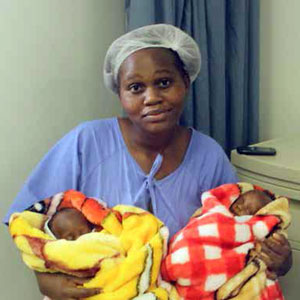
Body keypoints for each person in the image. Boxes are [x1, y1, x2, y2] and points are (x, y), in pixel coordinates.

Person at [4, 24, 291, 300]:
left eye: (164, 83)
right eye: (136, 87)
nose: (152, 97)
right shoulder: (87, 142)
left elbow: (245, 230)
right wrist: (45, 278)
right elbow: (28, 221)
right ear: (120, 93)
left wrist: (280, 259)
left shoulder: (208, 156)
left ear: (186, 83)